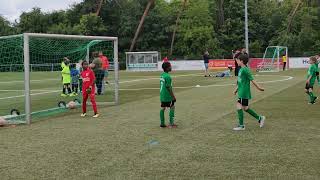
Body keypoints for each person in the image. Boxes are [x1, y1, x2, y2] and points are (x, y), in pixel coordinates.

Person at [233, 54, 265, 131]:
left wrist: (259, 87)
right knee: (245, 108)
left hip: (244, 92)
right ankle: (260, 118)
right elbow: (240, 82)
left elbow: (252, 79)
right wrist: (236, 89)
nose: (236, 61)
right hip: (241, 91)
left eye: (237, 60)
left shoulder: (245, 70)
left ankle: (241, 126)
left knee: (238, 106)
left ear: (242, 61)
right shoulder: (241, 69)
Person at [160, 62, 177, 128]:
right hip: (167, 96)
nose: (171, 67)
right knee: (172, 107)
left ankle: (162, 123)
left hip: (162, 95)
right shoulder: (168, 76)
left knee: (163, 108)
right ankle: (171, 123)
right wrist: (173, 97)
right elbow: (168, 87)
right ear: (167, 68)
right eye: (170, 66)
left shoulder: (162, 75)